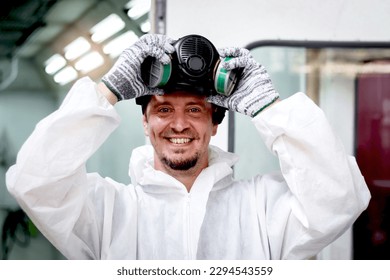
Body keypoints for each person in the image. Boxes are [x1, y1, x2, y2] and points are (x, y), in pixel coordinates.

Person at [6, 34, 370, 260]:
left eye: (194, 110)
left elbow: (340, 198)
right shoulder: (109, 211)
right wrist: (108, 89)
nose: (178, 124)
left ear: (215, 123)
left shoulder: (262, 208)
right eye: (163, 109)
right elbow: (33, 183)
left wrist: (268, 106)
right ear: (145, 123)